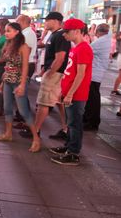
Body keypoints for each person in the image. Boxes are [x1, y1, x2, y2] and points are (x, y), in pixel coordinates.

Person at [50, 19, 93, 166]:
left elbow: (81, 74)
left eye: (66, 32)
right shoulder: (76, 48)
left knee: (75, 123)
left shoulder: (84, 48)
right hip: (71, 92)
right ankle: (69, 147)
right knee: (71, 122)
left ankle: (73, 153)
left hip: (77, 94)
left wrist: (70, 94)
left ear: (76, 31)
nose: (64, 35)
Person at [0, 23, 39, 152]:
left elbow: (25, 67)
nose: (6, 33)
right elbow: (8, 65)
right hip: (8, 79)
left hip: (18, 81)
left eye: (9, 31)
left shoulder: (24, 47)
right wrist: (3, 82)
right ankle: (8, 134)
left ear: (17, 32)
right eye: (6, 31)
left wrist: (23, 84)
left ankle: (36, 139)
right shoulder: (8, 45)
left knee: (24, 111)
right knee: (7, 108)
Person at [31, 12, 71, 141]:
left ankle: (35, 130)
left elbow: (60, 58)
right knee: (59, 102)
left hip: (56, 74)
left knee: (43, 102)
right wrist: (44, 70)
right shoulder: (54, 35)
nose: (45, 23)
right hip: (54, 72)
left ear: (55, 21)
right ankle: (66, 129)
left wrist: (50, 73)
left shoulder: (60, 35)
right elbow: (51, 56)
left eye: (47, 20)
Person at [83, 23, 111, 131]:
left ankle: (92, 122)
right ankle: (88, 119)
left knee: (92, 99)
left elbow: (87, 49)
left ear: (98, 32)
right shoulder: (105, 39)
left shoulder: (101, 41)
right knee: (91, 98)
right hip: (96, 72)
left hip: (95, 73)